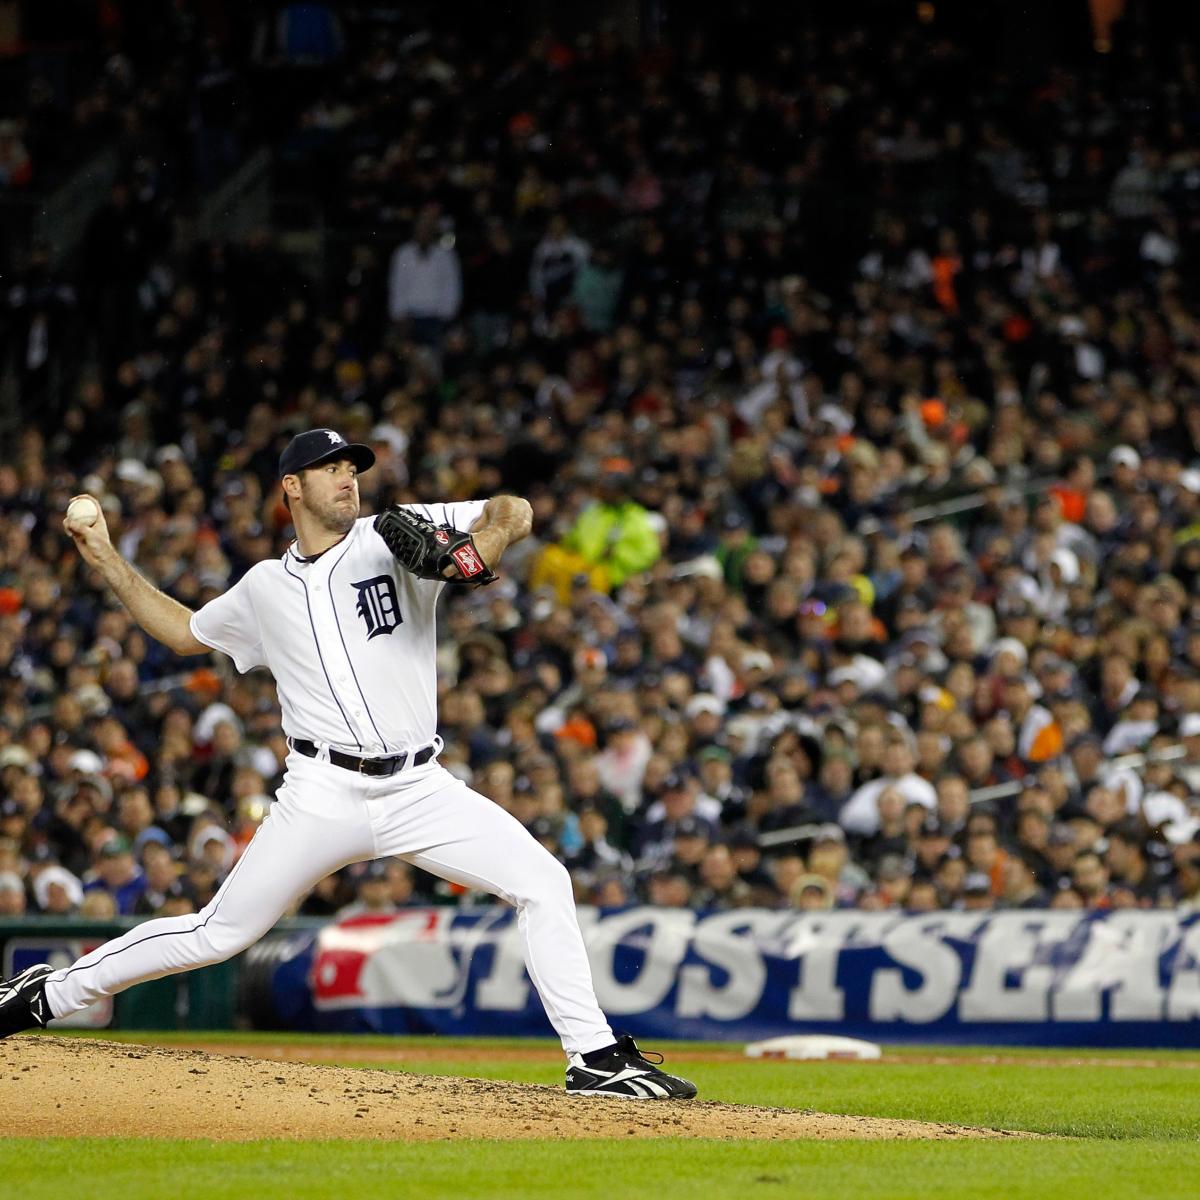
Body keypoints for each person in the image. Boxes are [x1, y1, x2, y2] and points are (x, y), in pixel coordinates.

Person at [0, 428, 695, 1101]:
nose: (348, 477)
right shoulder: (263, 587)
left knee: (543, 881)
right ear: (292, 488)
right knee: (218, 933)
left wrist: (482, 546)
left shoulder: (395, 532)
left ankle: (594, 1057)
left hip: (421, 787)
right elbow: (184, 632)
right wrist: (106, 562)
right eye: (333, 468)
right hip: (321, 791)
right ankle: (45, 993)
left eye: (353, 467)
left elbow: (515, 508)